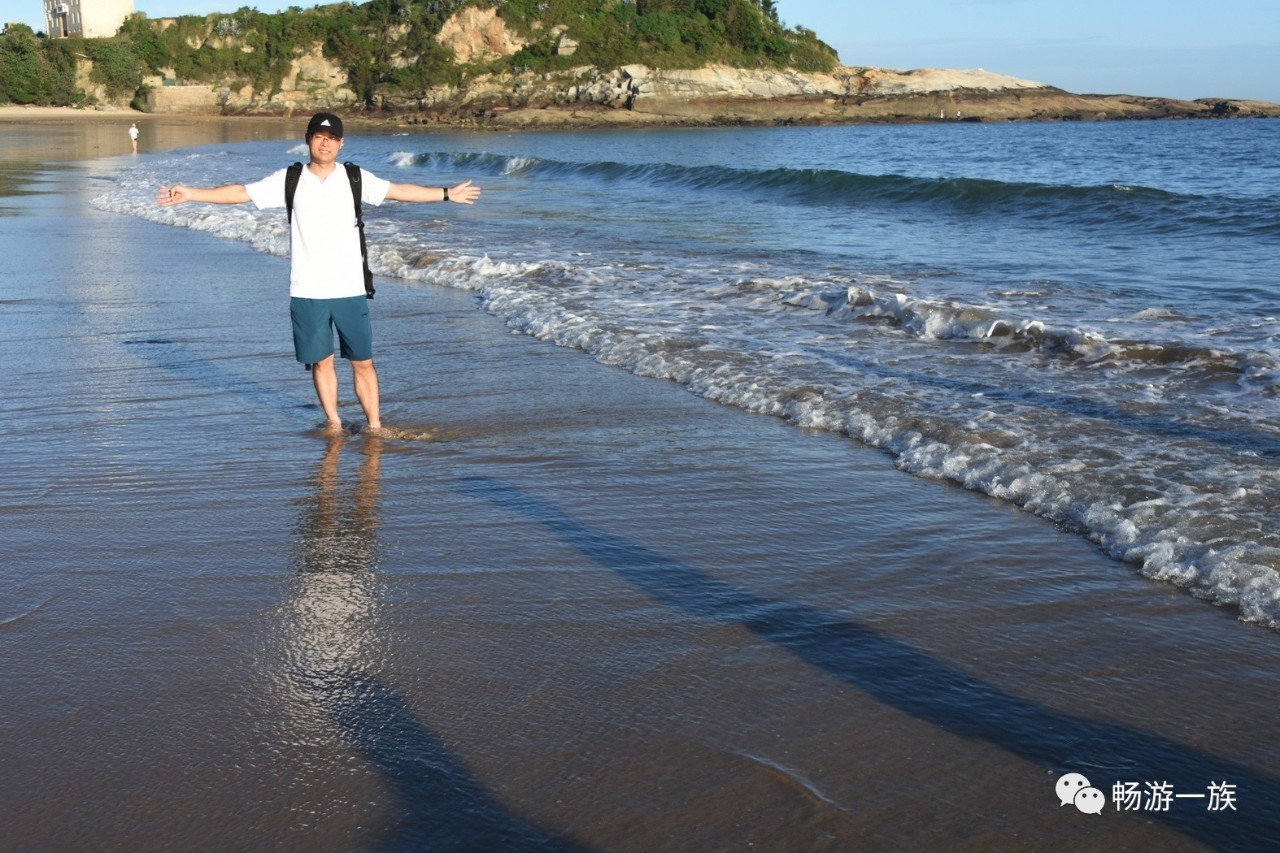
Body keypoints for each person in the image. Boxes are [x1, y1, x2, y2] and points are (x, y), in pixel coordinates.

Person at [156, 112, 481, 435]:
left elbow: (399, 190)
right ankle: (335, 422)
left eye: (331, 138)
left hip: (349, 287)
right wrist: (192, 193)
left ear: (340, 144)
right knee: (322, 362)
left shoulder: (354, 178)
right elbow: (241, 192)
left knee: (363, 362)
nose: (324, 142)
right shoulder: (290, 179)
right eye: (318, 136)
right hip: (307, 289)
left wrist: (447, 193)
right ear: (308, 140)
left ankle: (375, 425)